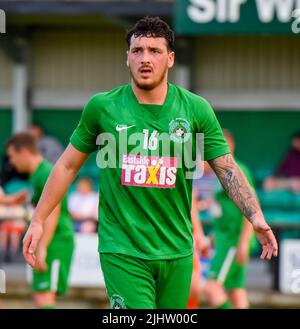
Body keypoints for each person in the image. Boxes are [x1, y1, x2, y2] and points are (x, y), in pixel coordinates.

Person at [22, 17, 277, 309]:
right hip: (123, 248)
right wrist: (39, 219)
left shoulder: (196, 109)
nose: (145, 58)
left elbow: (227, 168)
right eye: (137, 50)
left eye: (154, 51)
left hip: (177, 250)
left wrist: (255, 216)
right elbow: (67, 166)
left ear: (170, 59)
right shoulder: (102, 107)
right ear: (127, 58)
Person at [6, 133, 74, 309]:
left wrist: (42, 247)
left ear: (24, 152)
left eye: (12, 156)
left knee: (45, 299)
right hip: (47, 241)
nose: (11, 162)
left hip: (54, 241)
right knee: (41, 299)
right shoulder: (36, 175)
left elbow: (53, 210)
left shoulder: (45, 172)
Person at [205, 129, 255, 309]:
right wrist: (214, 235)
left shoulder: (238, 170)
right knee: (235, 291)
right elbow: (223, 210)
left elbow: (249, 207)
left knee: (211, 289)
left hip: (233, 240)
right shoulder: (218, 173)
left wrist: (243, 241)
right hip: (224, 237)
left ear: (230, 145)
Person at [0, 187, 28, 263]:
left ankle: (11, 251)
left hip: (17, 227)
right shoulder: (7, 207)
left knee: (14, 232)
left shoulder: (20, 208)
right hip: (7, 225)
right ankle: (3, 250)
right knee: (4, 230)